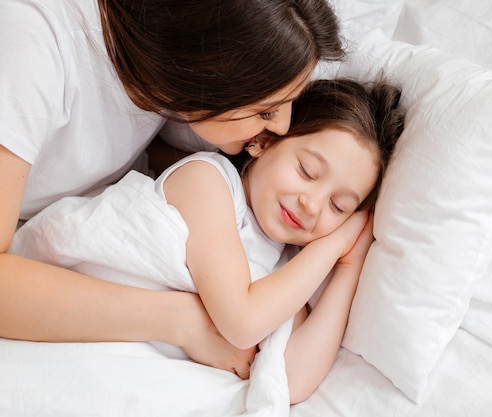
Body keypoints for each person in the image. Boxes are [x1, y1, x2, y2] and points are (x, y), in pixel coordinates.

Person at [0, 0, 344, 375]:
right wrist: (180, 320)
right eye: (266, 109)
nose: (281, 127)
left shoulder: (162, 67)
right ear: (205, 70)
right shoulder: (32, 45)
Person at [10, 79, 405, 403]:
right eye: (306, 170)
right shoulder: (209, 181)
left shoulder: (289, 267)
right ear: (263, 142)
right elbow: (242, 322)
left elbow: (291, 379)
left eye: (338, 207)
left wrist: (349, 267)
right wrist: (330, 246)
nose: (312, 205)